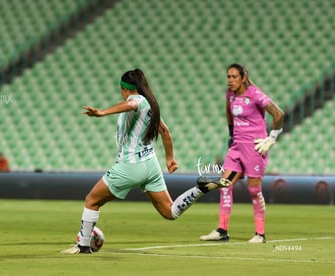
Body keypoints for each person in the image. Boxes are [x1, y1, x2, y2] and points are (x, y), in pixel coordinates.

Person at [61, 69, 227, 254]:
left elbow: (131, 105)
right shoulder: (151, 106)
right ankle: (201, 188)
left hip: (130, 165)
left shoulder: (137, 100)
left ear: (124, 89)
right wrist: (170, 158)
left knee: (92, 200)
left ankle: (83, 246)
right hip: (150, 164)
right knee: (169, 211)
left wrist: (102, 112)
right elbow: (165, 132)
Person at [197, 63, 284, 243]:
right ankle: (222, 231)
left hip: (254, 148)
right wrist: (231, 132)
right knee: (225, 185)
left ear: (243, 78)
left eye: (234, 77)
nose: (230, 80)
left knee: (254, 190)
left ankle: (260, 234)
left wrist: (272, 138)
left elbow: (278, 114)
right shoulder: (230, 95)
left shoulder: (255, 94)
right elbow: (229, 112)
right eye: (228, 76)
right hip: (236, 146)